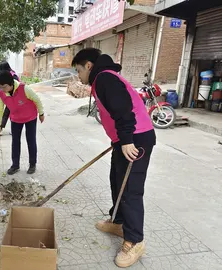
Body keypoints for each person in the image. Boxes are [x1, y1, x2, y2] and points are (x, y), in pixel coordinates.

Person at [71, 48, 156, 268]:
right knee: (117, 182)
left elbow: (124, 110)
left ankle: (134, 240)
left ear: (89, 66)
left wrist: (126, 140)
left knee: (130, 190)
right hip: (125, 139)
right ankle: (118, 222)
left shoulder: (104, 78)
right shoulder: (104, 77)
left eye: (79, 71)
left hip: (136, 139)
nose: (79, 77)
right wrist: (119, 141)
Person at [0, 70, 45, 175]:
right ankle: (15, 165)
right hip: (15, 119)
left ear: (11, 83)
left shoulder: (24, 88)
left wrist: (41, 113)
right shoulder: (1, 93)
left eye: (4, 86)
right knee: (15, 141)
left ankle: (32, 164)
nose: (2, 89)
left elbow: (37, 99)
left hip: (30, 117)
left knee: (31, 140)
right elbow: (0, 109)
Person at [0, 61, 20, 133]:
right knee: (8, 113)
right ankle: (2, 128)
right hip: (9, 97)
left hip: (14, 98)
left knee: (8, 113)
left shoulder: (13, 76)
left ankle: (0, 128)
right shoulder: (10, 73)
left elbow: (15, 87)